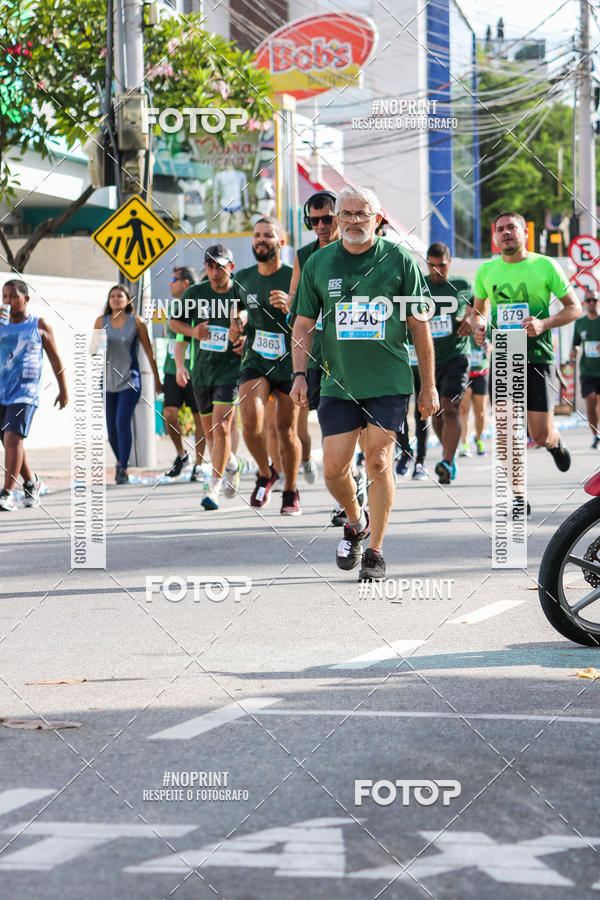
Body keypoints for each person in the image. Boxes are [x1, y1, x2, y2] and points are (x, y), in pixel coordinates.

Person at [292, 185, 439, 580]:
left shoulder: (399, 260)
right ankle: (357, 523)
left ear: (377, 218)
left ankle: (374, 551)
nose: (354, 220)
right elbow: (304, 323)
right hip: (338, 383)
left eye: (362, 214)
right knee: (334, 469)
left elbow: (419, 325)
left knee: (377, 460)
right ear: (335, 220)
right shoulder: (319, 263)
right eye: (346, 214)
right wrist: (299, 375)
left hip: (389, 380)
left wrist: (429, 386)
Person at [473, 211, 581, 511]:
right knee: (506, 427)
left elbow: (574, 309)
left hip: (538, 357)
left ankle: (554, 442)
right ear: (495, 237)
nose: (506, 232)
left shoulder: (545, 266)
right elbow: (477, 312)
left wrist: (544, 324)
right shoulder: (486, 271)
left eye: (512, 228)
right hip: (505, 356)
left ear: (524, 233)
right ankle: (518, 494)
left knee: (539, 433)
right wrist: (479, 330)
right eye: (501, 229)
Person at [231, 217, 301, 515]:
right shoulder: (243, 278)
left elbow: (311, 320)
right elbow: (237, 314)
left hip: (289, 362)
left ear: (280, 242)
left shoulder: (293, 276)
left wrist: (290, 307)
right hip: (256, 358)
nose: (261, 240)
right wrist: (236, 328)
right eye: (257, 235)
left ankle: (290, 490)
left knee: (286, 431)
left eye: (268, 235)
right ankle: (264, 472)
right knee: (250, 417)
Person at [170, 245, 243, 510]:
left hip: (230, 371)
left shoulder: (239, 291)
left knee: (221, 427)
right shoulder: (195, 293)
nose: (214, 272)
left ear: (230, 267)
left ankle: (212, 486)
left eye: (220, 266)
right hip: (202, 371)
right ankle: (233, 463)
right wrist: (193, 332)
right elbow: (174, 325)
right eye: (210, 266)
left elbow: (251, 319)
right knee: (212, 434)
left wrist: (243, 333)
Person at [0, 279, 68, 511]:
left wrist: (63, 389)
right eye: (5, 297)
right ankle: (31, 482)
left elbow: (55, 357)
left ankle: (7, 493)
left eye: (13, 296)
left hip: (25, 392)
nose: (8, 301)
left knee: (13, 438)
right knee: (8, 441)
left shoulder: (38, 324)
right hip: (1, 390)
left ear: (26, 299)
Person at [288, 191, 340, 485]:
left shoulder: (350, 249)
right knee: (307, 415)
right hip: (311, 349)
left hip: (345, 350)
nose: (320, 225)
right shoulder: (304, 256)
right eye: (314, 220)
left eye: (326, 219)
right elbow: (296, 300)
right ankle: (307, 458)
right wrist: (290, 304)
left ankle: (348, 473)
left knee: (338, 418)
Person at [94, 285, 162, 484]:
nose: (116, 299)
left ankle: (123, 468)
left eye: (120, 296)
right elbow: (92, 349)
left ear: (128, 300)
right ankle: (119, 460)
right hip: (107, 382)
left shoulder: (137, 322)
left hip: (130, 381)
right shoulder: (101, 321)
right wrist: (97, 342)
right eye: (112, 296)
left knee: (122, 422)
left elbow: (149, 353)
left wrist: (157, 380)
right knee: (111, 428)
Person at [424, 243, 474, 483]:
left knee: (450, 407)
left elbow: (478, 308)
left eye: (442, 265)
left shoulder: (463, 286)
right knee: (436, 413)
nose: (437, 271)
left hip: (457, 356)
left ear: (449, 261)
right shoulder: (419, 285)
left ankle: (447, 460)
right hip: (428, 358)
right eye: (432, 266)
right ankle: (447, 453)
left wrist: (471, 319)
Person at [162, 266, 206, 480]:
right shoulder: (173, 307)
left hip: (196, 369)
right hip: (172, 370)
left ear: (186, 283)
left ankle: (199, 464)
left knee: (200, 419)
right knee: (169, 413)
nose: (170, 283)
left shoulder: (200, 305)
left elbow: (184, 337)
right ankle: (181, 455)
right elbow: (172, 339)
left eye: (174, 279)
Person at [571, 290, 600, 448]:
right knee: (590, 401)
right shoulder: (580, 323)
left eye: (594, 299)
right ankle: (595, 435)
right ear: (584, 303)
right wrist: (574, 351)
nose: (591, 302)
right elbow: (575, 343)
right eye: (588, 300)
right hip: (587, 371)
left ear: (598, 301)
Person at [395, 341, 428, 479]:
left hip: (422, 369)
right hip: (402, 368)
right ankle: (405, 451)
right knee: (399, 411)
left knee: (421, 414)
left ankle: (421, 461)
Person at [459, 336, 489, 457]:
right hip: (465, 372)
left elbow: (494, 339)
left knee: (480, 412)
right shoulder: (462, 321)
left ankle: (478, 438)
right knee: (463, 409)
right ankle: (464, 443)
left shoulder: (484, 324)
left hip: (481, 371)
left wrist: (491, 346)